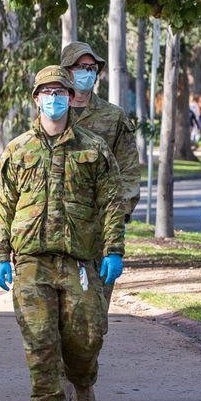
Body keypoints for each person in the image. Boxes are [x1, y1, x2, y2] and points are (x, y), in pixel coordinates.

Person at [0, 66, 125, 401]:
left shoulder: (93, 148)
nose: (54, 99)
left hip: (80, 259)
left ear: (70, 98)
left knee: (86, 335)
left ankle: (82, 382)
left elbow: (112, 202)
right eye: (47, 92)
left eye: (60, 93)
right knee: (38, 338)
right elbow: (2, 204)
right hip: (32, 259)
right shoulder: (18, 150)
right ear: (35, 98)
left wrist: (113, 249)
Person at [60, 42, 139, 299]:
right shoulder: (53, 112)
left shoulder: (113, 117)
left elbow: (128, 170)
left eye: (92, 68)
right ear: (66, 71)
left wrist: (121, 215)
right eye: (81, 67)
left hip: (100, 227)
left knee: (94, 313)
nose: (88, 74)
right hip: (57, 227)